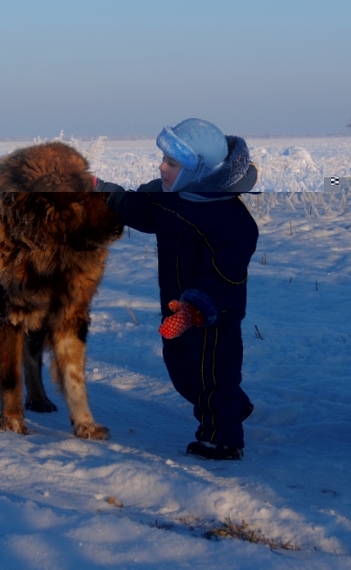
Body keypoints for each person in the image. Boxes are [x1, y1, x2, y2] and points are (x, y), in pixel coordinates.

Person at [97, 118, 258, 460]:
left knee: (213, 377)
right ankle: (233, 406)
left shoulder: (229, 218)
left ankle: (221, 438)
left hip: (212, 317)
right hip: (175, 310)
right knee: (183, 374)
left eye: (171, 162)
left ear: (196, 168)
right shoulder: (170, 200)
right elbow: (139, 209)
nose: (162, 167)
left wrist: (197, 307)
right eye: (163, 159)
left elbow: (226, 274)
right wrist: (105, 192)